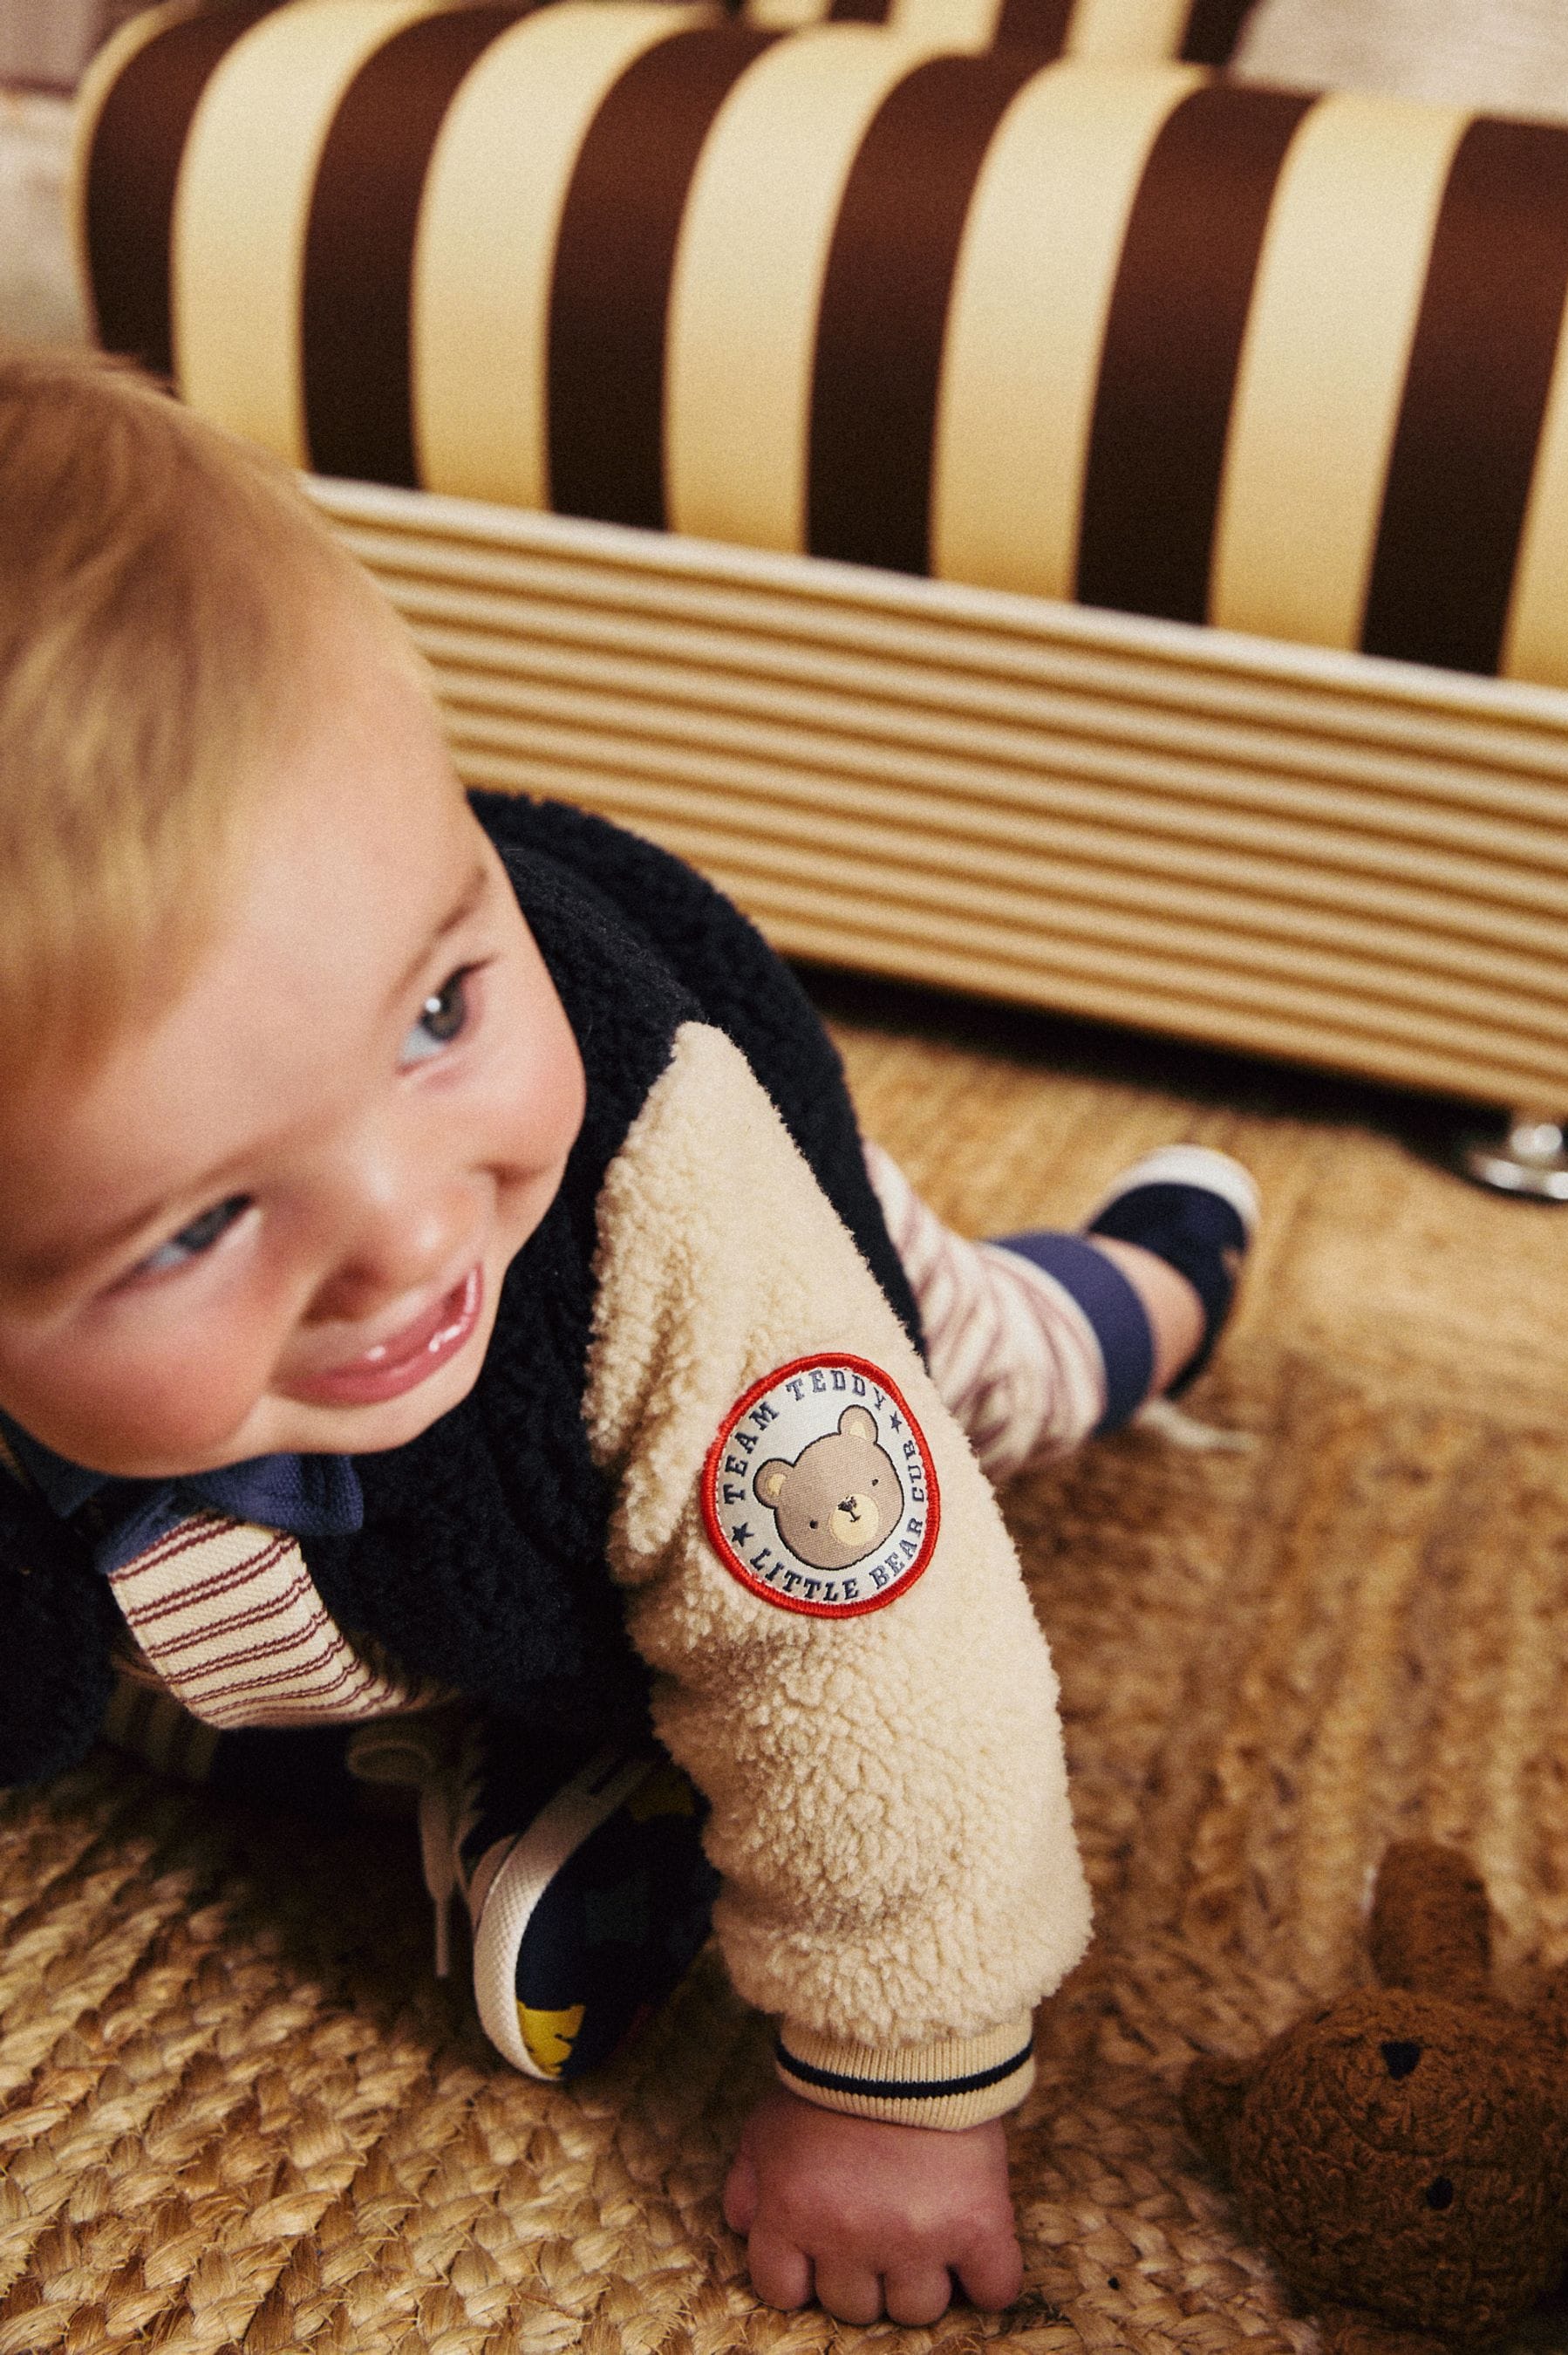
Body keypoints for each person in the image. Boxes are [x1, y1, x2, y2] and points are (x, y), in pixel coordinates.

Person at [0, 347, 1257, 2327]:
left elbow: (889, 1682)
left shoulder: (646, 1209)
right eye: (204, 1218)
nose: (415, 1227)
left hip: (767, 1286)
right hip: (333, 1567)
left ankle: (1165, 1268)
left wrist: (902, 2090)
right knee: (188, 1675)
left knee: (983, 1401)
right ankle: (511, 1763)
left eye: (436, 1011)